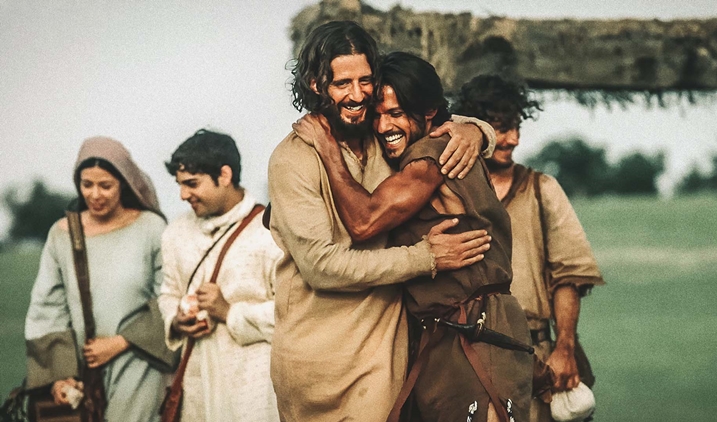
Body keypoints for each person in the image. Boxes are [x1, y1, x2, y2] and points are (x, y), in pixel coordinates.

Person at [268, 21, 498, 421]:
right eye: (342, 83)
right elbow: (322, 266)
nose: (357, 96)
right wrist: (423, 258)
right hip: (316, 358)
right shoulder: (293, 159)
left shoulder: (382, 136)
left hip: (383, 355)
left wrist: (475, 130)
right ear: (315, 85)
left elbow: (425, 117)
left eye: (366, 81)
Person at [304, 51, 534, 422]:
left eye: (396, 114)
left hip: (476, 334)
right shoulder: (431, 146)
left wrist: (328, 149)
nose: (382, 127)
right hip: (451, 334)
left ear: (429, 113)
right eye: (377, 115)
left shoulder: (431, 158)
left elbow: (364, 222)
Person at [452, 74, 605, 422]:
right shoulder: (448, 190)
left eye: (517, 127)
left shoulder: (542, 189)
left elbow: (569, 276)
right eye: (501, 128)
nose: (514, 139)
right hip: (461, 353)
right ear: (477, 130)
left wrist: (564, 347)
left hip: (533, 354)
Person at [24, 136, 175, 422]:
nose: (95, 194)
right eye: (87, 184)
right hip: (79, 366)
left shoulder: (151, 228)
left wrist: (120, 342)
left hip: (139, 360)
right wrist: (60, 374)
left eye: (105, 185)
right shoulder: (62, 234)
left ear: (124, 183)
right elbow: (48, 307)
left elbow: (168, 295)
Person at [158, 129, 282, 421]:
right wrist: (177, 320)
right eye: (180, 185)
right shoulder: (176, 233)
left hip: (254, 389)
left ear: (224, 175)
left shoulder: (271, 232)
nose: (183, 194)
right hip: (196, 387)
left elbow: (294, 314)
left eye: (192, 184)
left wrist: (229, 311)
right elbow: (168, 294)